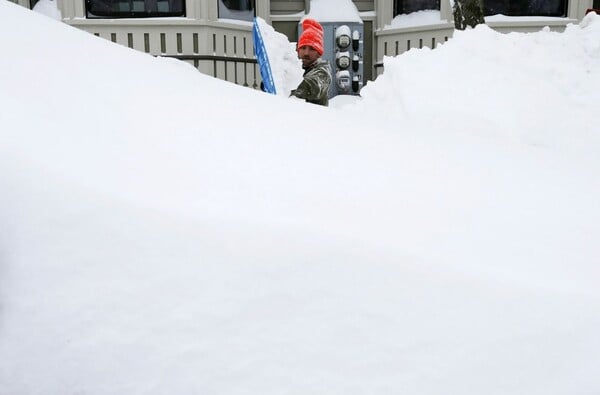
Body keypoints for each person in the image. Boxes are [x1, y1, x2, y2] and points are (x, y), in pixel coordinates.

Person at [290, 18, 332, 106]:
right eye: (303, 48)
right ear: (298, 50)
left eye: (312, 49)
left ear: (319, 53)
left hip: (315, 119)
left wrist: (285, 88)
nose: (306, 53)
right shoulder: (295, 68)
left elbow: (312, 86)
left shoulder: (323, 71)